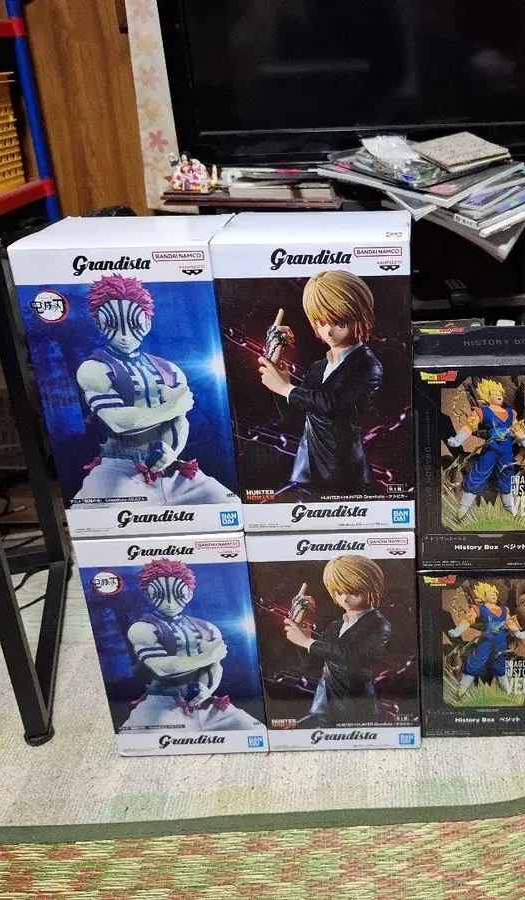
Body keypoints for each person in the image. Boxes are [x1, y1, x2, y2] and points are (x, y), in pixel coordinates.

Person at [74, 274, 232, 504]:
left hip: (169, 466)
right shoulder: (94, 369)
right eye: (112, 324)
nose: (125, 335)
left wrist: (172, 450)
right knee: (110, 518)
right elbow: (119, 421)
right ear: (99, 323)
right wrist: (173, 407)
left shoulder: (168, 369)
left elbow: (180, 421)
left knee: (225, 502)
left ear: (147, 323)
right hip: (117, 469)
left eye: (134, 324)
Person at [257, 271, 382, 495]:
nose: (329, 330)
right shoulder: (318, 368)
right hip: (306, 473)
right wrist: (278, 374)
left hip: (345, 478)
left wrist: (286, 388)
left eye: (340, 322)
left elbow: (333, 404)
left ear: (360, 315)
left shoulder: (368, 365)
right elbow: (296, 418)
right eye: (321, 322)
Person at [123, 559, 262, 732]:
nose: (169, 603)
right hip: (162, 704)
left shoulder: (207, 627)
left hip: (206, 701)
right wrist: (209, 656)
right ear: (147, 594)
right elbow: (164, 668)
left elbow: (215, 666)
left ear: (189, 594)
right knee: (143, 739)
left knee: (252, 728)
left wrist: (207, 689)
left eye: (178, 594)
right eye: (160, 595)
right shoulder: (143, 628)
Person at [281, 555, 391, 725]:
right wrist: (299, 625)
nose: (345, 598)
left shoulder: (379, 624)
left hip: (355, 708)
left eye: (354, 591)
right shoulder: (336, 626)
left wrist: (307, 642)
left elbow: (350, 656)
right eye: (339, 592)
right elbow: (314, 661)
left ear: (372, 587)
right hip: (323, 704)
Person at [447, 378, 525, 519]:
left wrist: (524, 441)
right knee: (479, 474)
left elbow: (517, 429)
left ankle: (509, 508)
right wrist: (458, 439)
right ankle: (463, 508)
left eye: (500, 393)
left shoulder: (510, 412)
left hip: (506, 451)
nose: (499, 395)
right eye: (495, 393)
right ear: (487, 397)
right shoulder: (482, 412)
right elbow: (470, 426)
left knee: (507, 475)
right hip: (490, 450)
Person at [448, 581, 525, 697]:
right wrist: (457, 631)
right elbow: (468, 620)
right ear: (482, 596)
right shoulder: (479, 609)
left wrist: (517, 633)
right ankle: (463, 687)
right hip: (486, 641)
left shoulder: (504, 610)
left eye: (494, 592)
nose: (493, 594)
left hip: (500, 642)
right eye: (490, 593)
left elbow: (510, 622)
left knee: (501, 661)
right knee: (476, 660)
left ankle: (505, 687)